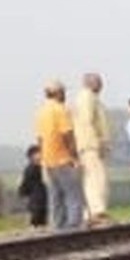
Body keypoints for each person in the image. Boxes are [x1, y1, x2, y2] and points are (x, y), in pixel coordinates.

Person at [35, 80, 84, 230]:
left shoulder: (41, 112)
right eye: (63, 92)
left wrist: (43, 157)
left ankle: (58, 226)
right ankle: (73, 226)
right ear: (57, 93)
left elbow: (40, 139)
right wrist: (75, 157)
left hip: (48, 161)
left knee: (55, 196)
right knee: (73, 194)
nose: (65, 95)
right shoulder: (60, 110)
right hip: (63, 159)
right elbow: (67, 135)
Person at [74, 73, 112, 225]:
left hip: (87, 145)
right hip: (91, 145)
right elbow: (87, 121)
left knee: (90, 179)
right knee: (97, 179)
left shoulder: (86, 98)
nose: (101, 85)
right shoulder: (87, 97)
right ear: (91, 83)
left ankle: (90, 213)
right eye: (99, 82)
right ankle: (98, 211)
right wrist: (97, 143)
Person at [18, 145, 48, 227]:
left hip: (42, 198)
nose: (40, 155)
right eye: (38, 153)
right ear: (32, 156)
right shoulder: (31, 169)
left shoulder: (40, 167)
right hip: (36, 200)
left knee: (42, 221)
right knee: (36, 221)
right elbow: (24, 184)